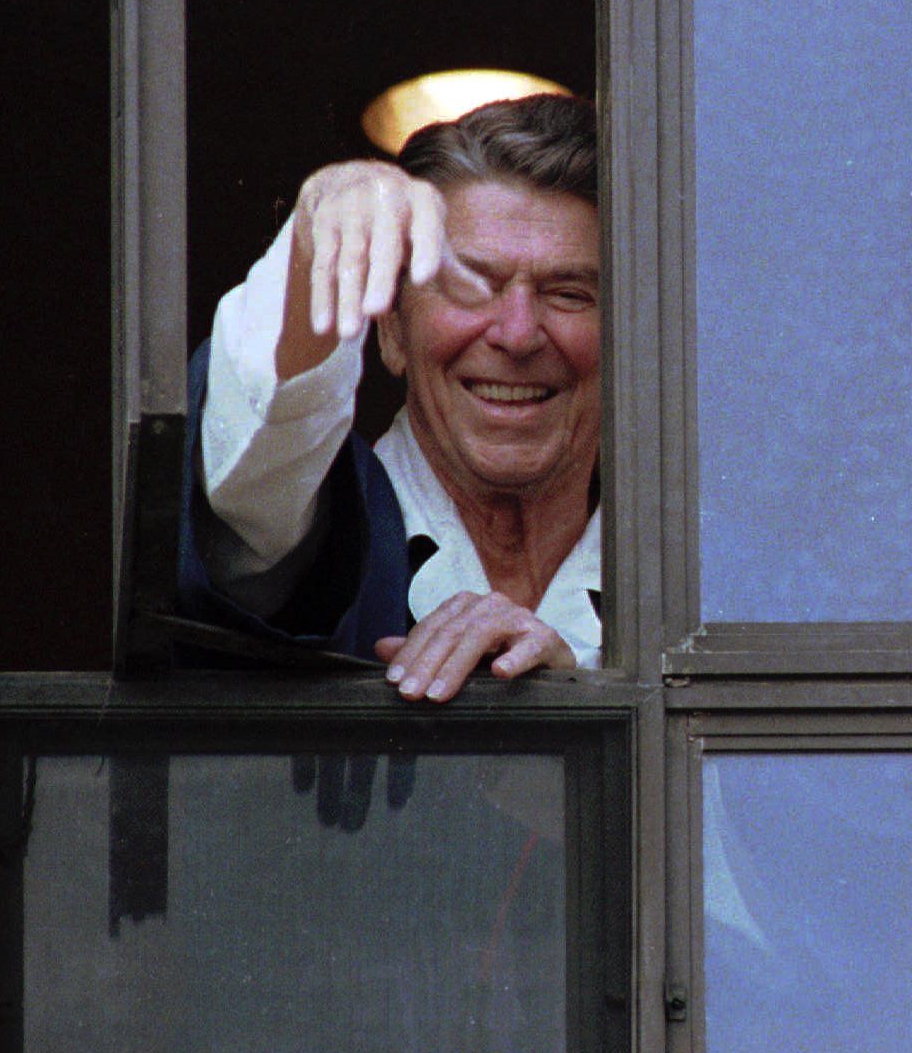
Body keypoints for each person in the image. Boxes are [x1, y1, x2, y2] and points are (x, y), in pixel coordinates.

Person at [179, 93, 602, 701]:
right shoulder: (314, 519)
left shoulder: (701, 584)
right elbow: (256, 458)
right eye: (469, 286)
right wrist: (317, 237)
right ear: (393, 330)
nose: (516, 334)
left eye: (568, 293)